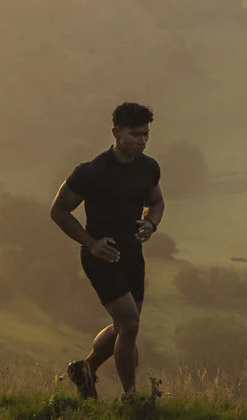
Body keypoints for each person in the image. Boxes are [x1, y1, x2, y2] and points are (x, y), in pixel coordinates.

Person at [52, 101, 164, 401]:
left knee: (123, 326)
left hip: (132, 254)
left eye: (146, 135)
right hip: (100, 256)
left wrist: (151, 224)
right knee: (130, 325)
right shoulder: (91, 172)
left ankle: (84, 369)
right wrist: (91, 243)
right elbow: (59, 210)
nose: (141, 141)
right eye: (135, 134)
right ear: (116, 132)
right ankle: (132, 397)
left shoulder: (149, 167)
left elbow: (156, 202)